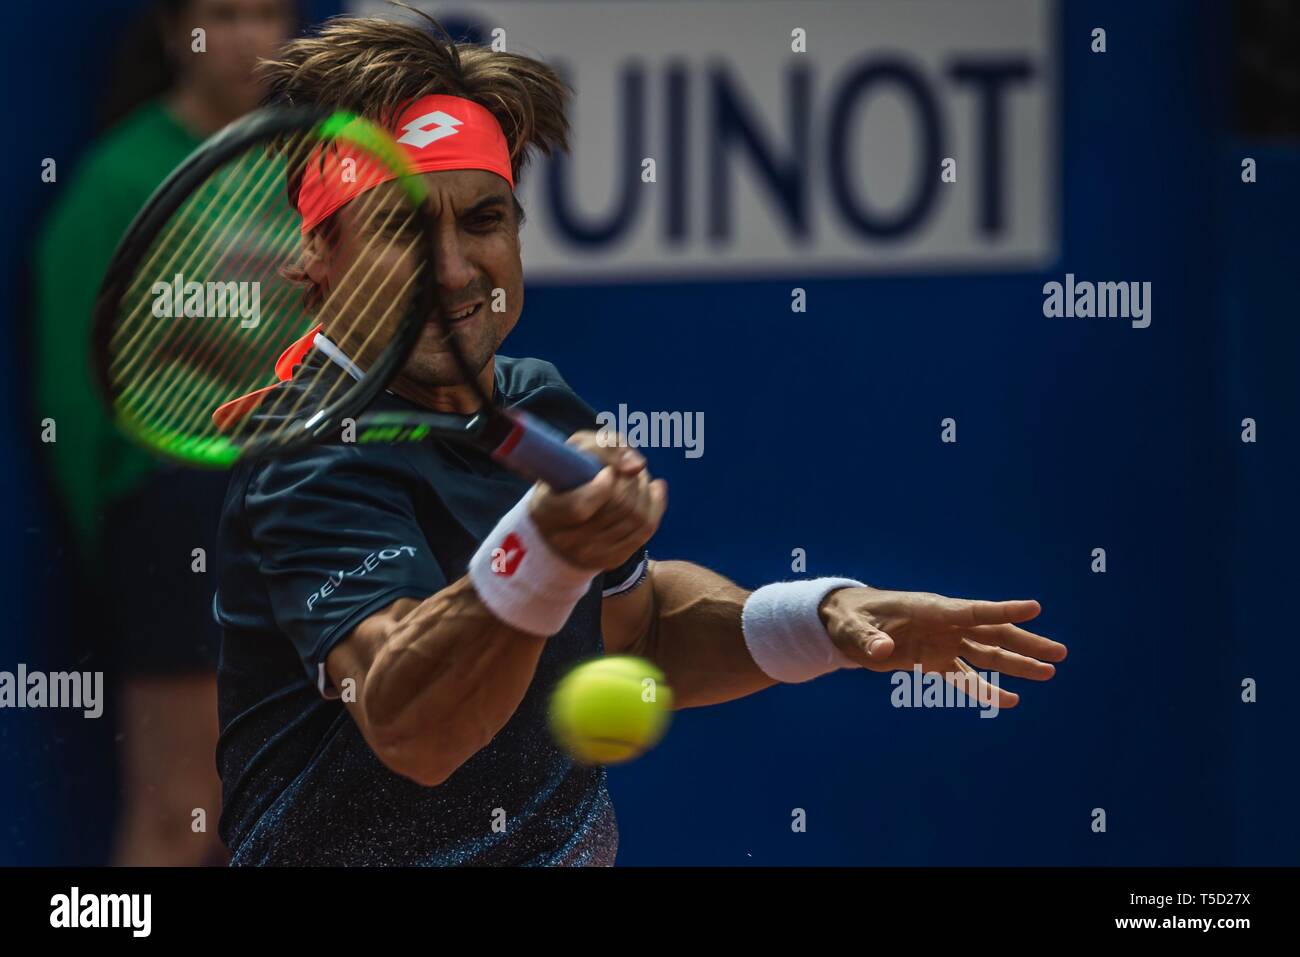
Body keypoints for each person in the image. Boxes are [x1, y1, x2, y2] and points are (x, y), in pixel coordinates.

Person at [213, 9, 1069, 865]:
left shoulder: (537, 399)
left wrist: (821, 617)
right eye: (402, 227)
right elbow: (414, 723)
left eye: (483, 219)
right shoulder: (305, 454)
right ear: (319, 253)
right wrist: (543, 552)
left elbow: (634, 627)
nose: (452, 269)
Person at [32, 0, 297, 865]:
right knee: (183, 811)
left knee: (296, 809)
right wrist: (128, 515)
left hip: (314, 509)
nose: (245, 39)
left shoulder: (319, 165)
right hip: (179, 513)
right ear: (171, 33)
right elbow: (75, 394)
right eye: (220, 15)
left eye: (265, 14)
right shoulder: (117, 178)